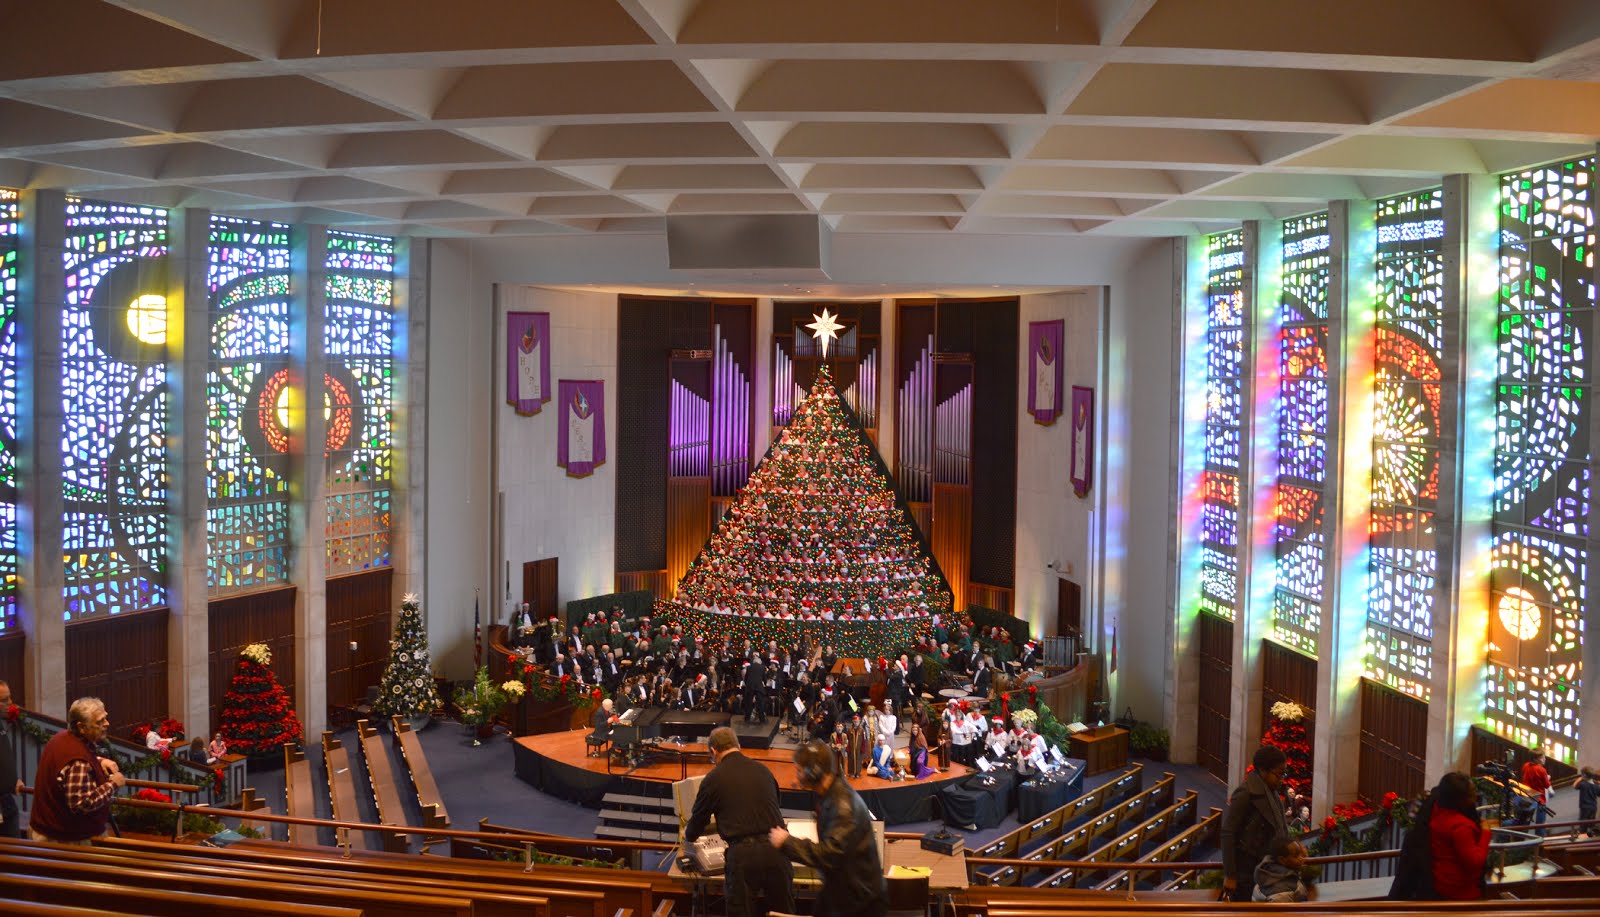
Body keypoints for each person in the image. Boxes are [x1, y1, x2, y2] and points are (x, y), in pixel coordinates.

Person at [683, 728, 793, 917]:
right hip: (777, 851)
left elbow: (697, 824)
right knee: (783, 914)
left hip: (743, 858)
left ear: (714, 752)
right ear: (738, 746)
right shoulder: (763, 770)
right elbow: (775, 804)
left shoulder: (713, 779)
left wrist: (688, 835)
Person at [770, 740, 888, 917]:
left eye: (800, 771)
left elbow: (830, 854)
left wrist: (787, 842)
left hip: (859, 904)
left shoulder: (843, 806)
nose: (796, 777)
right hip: (845, 894)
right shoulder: (829, 794)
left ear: (814, 772)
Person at [29, 696, 126, 844]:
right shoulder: (79, 761)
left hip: (47, 830)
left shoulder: (61, 738)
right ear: (81, 727)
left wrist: (99, 761)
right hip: (68, 840)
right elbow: (81, 804)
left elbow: (67, 767)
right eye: (99, 722)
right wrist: (113, 785)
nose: (107, 724)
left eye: (105, 718)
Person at [1220, 745, 1290, 902]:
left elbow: (1280, 827)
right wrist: (1230, 875)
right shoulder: (1246, 793)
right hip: (1247, 871)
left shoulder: (1271, 791)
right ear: (1263, 771)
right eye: (1278, 774)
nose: (1281, 779)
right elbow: (1228, 833)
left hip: (1268, 869)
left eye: (1283, 774)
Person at [1429, 771, 1491, 900]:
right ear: (1462, 798)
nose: (1476, 795)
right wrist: (1485, 832)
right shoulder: (1461, 826)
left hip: (1440, 884)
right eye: (1472, 792)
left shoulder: (1435, 812)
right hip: (1461, 892)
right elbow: (1475, 862)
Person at [1253, 835, 1312, 902]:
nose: (1301, 859)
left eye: (1300, 854)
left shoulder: (1264, 874)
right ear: (1282, 860)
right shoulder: (1283, 892)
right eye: (1296, 856)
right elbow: (1283, 912)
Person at [0, 680, 20, 838]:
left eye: (10, 698)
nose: (11, 703)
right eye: (4, 700)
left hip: (7, 800)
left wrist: (13, 779)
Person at [1521, 752, 1551, 829]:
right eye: (1542, 757)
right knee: (1540, 825)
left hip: (1526, 796)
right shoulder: (1541, 770)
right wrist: (1547, 778)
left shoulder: (1526, 766)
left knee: (1524, 823)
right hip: (1539, 799)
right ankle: (1539, 840)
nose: (1545, 759)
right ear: (1535, 759)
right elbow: (1547, 785)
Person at [1579, 767, 1599, 837]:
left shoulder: (1583, 785)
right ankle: (1590, 837)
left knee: (1583, 825)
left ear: (1584, 775)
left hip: (1585, 808)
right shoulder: (1596, 786)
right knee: (1591, 824)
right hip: (1593, 807)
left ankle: (1582, 838)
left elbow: (1574, 785)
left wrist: (1580, 778)